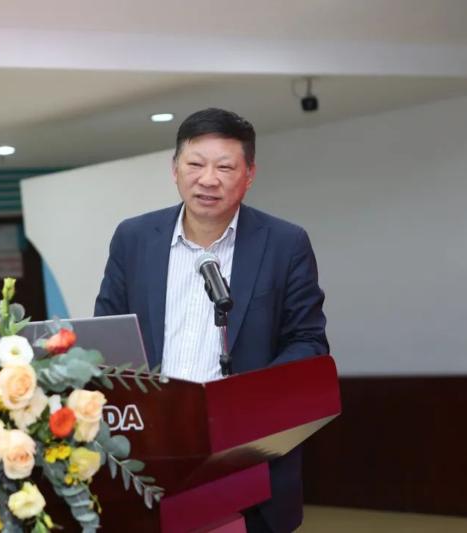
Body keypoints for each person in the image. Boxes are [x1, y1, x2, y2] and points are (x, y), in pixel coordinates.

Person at [94, 108, 328, 533]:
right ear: (175, 169)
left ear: (249, 174)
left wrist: (245, 402)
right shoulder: (133, 238)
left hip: (246, 460)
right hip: (148, 459)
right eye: (195, 164)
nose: (208, 179)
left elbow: (308, 342)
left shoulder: (285, 243)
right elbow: (106, 334)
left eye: (225, 167)